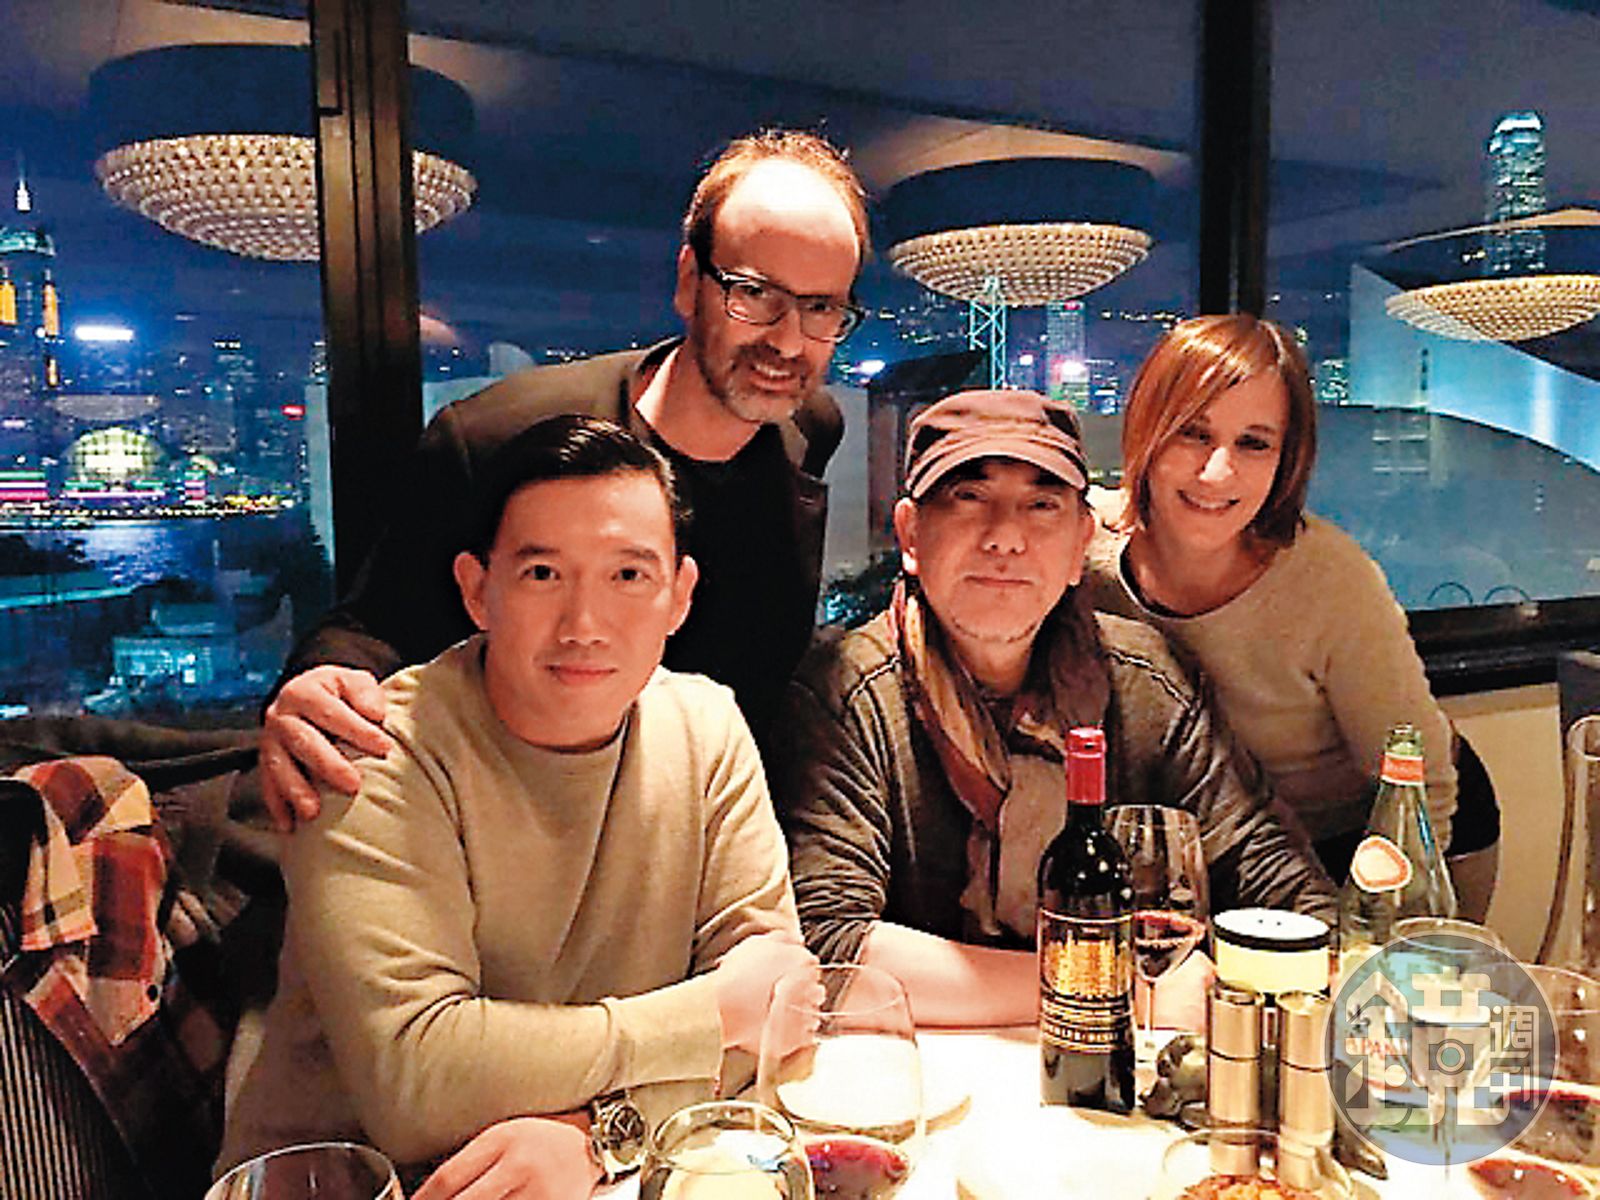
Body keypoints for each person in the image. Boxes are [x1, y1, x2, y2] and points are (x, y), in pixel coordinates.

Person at [220, 416, 814, 1197]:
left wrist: (599, 1134)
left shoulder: (706, 726)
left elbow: (778, 1021)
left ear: (679, 596)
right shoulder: (367, 750)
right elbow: (417, 1082)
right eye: (542, 574)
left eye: (628, 575)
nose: (585, 625)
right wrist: (708, 1018)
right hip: (355, 1181)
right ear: (477, 590)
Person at [260, 129, 869, 827]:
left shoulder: (809, 428)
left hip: (709, 821)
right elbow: (375, 625)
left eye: (821, 307)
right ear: (689, 283)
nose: (788, 341)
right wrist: (318, 684)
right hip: (519, 819)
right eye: (753, 294)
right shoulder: (498, 439)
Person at [768, 389, 1337, 1028]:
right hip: (917, 1067)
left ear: (1079, 546)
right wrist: (1113, 988)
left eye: (1041, 505)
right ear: (910, 535)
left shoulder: (1144, 683)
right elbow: (826, 946)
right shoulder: (849, 695)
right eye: (969, 497)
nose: (1006, 537)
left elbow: (1280, 881)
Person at [1080, 314, 1496, 913]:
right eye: (1192, 433)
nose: (1217, 472)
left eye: (1254, 443)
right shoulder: (1086, 548)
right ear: (1147, 430)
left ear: (1287, 459)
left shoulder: (1329, 578)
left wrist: (1383, 931)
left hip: (1372, 831)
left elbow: (1420, 781)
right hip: (1231, 839)